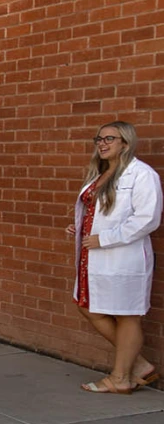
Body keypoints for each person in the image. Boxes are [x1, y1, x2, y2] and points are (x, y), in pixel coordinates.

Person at [67, 121, 163, 394]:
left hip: (122, 257)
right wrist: (81, 224)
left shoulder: (142, 175)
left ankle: (120, 378)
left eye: (110, 138)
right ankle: (140, 365)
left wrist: (104, 238)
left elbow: (147, 219)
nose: (102, 143)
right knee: (88, 307)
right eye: (99, 138)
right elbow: (99, 212)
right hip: (92, 256)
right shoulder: (101, 173)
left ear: (126, 143)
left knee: (128, 316)